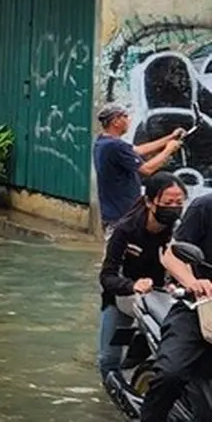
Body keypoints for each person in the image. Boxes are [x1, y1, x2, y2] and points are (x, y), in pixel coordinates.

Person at [97, 173, 186, 385]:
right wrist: (132, 285)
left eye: (179, 203)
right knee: (108, 359)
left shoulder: (179, 232)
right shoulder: (125, 231)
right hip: (123, 297)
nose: (173, 208)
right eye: (167, 202)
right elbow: (107, 276)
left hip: (164, 298)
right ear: (150, 201)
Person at [141, 186, 212, 421]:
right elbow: (172, 255)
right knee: (170, 374)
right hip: (200, 307)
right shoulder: (205, 207)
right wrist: (192, 281)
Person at [95, 103, 184, 240]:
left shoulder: (103, 142)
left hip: (113, 213)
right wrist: (169, 150)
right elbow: (146, 170)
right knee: (122, 255)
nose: (129, 119)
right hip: (123, 214)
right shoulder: (116, 146)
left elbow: (138, 151)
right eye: (125, 116)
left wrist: (170, 138)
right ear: (116, 121)